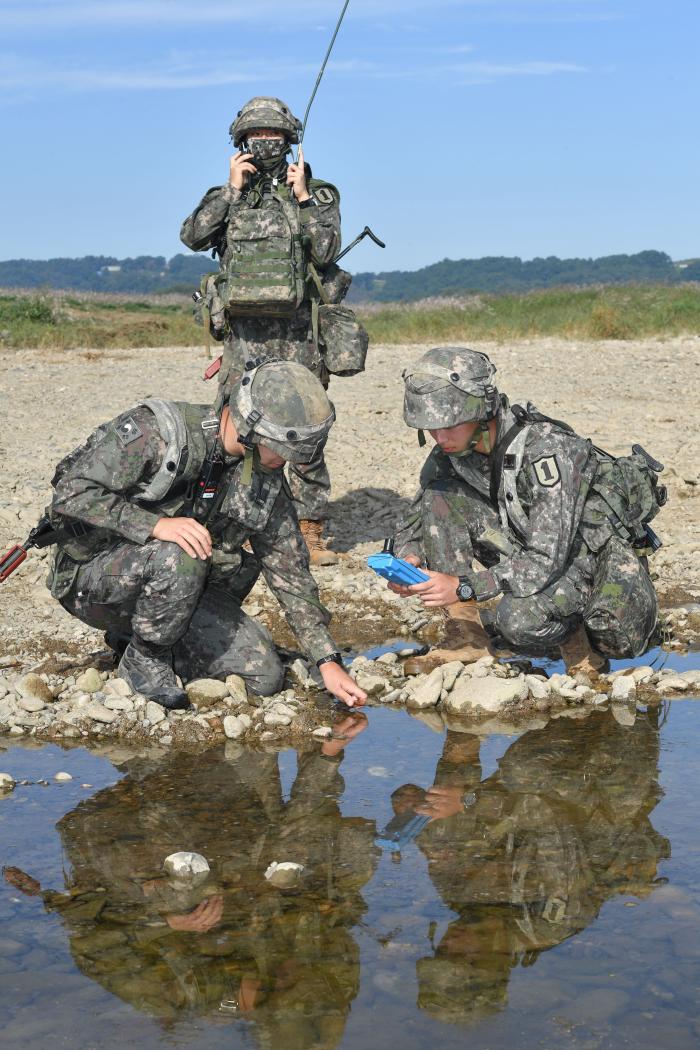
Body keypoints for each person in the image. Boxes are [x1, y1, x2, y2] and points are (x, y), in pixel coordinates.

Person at [44, 359, 367, 710]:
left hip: (174, 591)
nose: (287, 463)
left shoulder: (265, 475)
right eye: (284, 451)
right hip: (91, 580)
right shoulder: (157, 433)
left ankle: (138, 639)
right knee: (182, 552)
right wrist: (153, 525)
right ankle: (145, 660)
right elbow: (71, 493)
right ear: (252, 427)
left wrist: (326, 659)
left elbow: (290, 572)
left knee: (264, 675)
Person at [390, 346, 663, 676]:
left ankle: (579, 645)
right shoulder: (454, 451)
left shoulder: (546, 451)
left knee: (517, 621)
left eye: (449, 425)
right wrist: (408, 561)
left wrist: (462, 587)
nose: (439, 436)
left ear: (479, 412)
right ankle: (468, 641)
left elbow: (546, 559)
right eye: (431, 427)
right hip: (528, 547)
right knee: (441, 497)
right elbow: (416, 517)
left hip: (581, 560)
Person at [181, 95, 352, 566]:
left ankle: (309, 529)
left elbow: (325, 251)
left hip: (298, 334)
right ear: (241, 143)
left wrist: (302, 197)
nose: (266, 143)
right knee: (232, 429)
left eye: (275, 136)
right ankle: (224, 524)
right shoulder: (229, 196)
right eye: (257, 136)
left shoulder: (316, 195)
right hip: (244, 338)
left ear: (290, 141)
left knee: (305, 425)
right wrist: (231, 192)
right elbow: (192, 236)